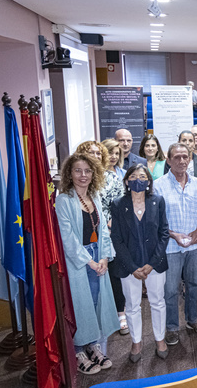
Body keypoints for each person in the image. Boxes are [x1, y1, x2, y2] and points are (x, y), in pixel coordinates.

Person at [57, 154, 117, 374]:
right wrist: (90, 262)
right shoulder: (64, 200)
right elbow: (67, 238)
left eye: (88, 171)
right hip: (79, 260)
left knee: (95, 304)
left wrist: (104, 257)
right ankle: (78, 350)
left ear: (94, 174)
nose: (83, 176)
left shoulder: (94, 196)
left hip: (97, 256)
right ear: (69, 174)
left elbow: (102, 230)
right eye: (78, 171)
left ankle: (93, 347)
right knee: (79, 306)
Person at [109, 164, 170, 362]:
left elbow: (163, 233)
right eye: (133, 176)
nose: (138, 179)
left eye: (142, 176)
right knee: (132, 305)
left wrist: (152, 263)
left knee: (158, 302)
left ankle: (160, 339)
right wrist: (132, 267)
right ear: (126, 181)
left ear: (148, 181)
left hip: (154, 262)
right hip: (129, 264)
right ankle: (136, 342)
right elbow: (116, 238)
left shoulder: (158, 201)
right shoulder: (118, 204)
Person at [155, 144, 197, 348]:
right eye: (176, 157)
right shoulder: (158, 185)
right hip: (170, 246)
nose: (181, 161)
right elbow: (156, 220)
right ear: (168, 160)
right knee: (171, 289)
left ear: (190, 159)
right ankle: (171, 327)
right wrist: (173, 235)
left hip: (195, 245)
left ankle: (193, 319)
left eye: (185, 157)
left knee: (194, 285)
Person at [82, 140, 128, 335]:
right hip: (88, 235)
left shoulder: (110, 177)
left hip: (110, 232)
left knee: (114, 274)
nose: (96, 156)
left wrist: (111, 223)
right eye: (91, 153)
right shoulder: (81, 178)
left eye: (98, 153)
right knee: (94, 276)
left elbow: (120, 202)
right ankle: (96, 317)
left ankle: (120, 313)